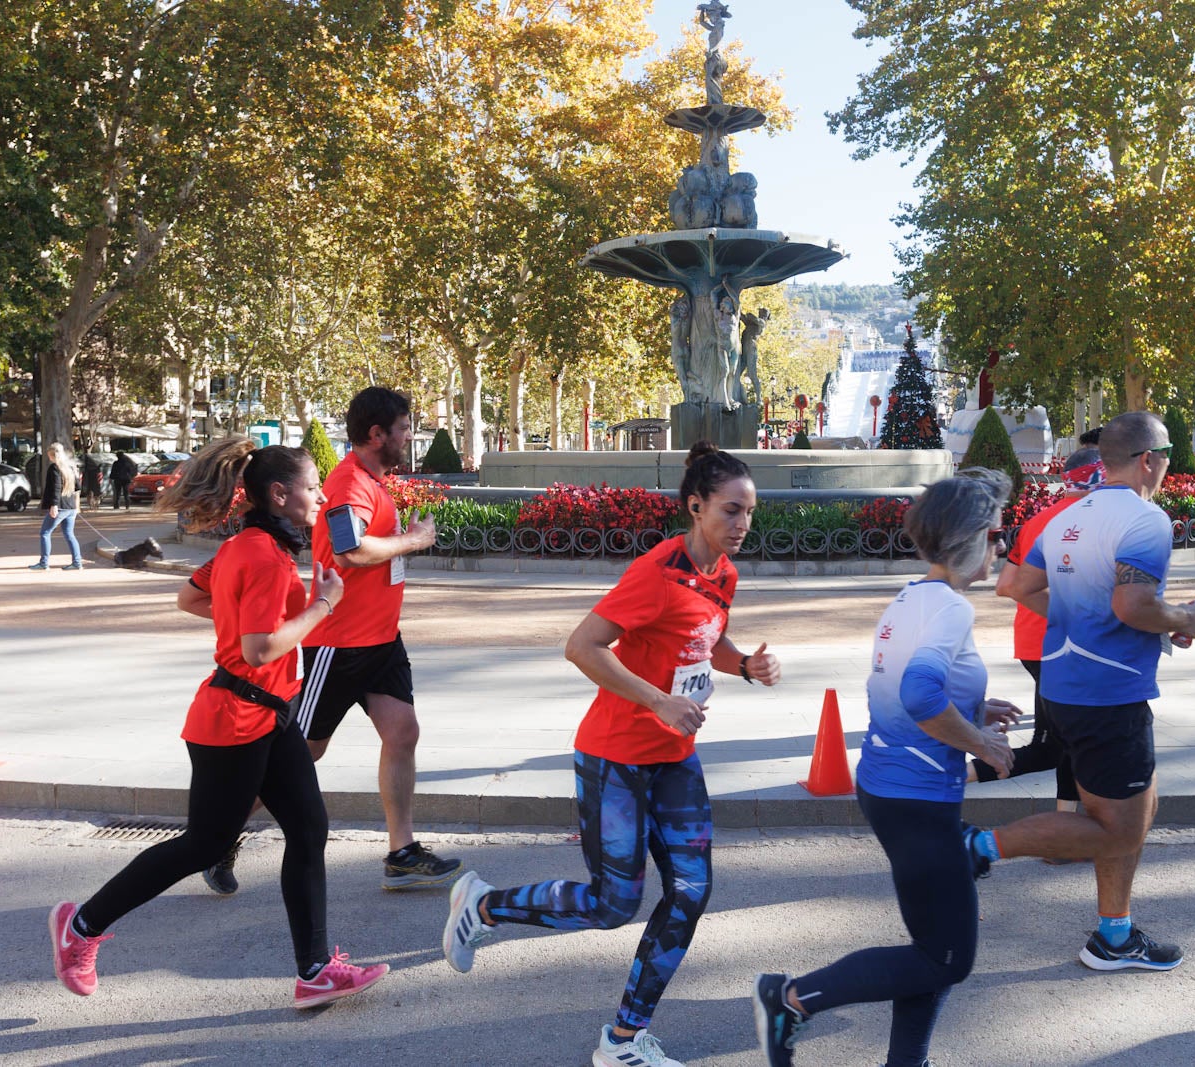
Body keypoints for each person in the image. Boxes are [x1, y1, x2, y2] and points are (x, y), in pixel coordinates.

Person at [444, 442, 782, 1067]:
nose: (743, 524)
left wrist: (744, 665)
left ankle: (622, 1041)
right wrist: (656, 701)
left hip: (674, 756)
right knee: (612, 905)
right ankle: (484, 905)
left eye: (750, 513)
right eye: (732, 511)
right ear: (696, 506)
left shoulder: (724, 575)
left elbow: (704, 640)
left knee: (690, 892)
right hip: (615, 759)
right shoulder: (656, 573)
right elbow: (582, 646)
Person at [47, 437, 390, 1009]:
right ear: (280, 495)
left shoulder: (255, 545)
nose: (322, 494)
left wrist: (249, 616)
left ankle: (314, 971)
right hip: (235, 719)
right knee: (203, 846)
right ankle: (80, 927)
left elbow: (190, 598)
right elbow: (258, 650)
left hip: (271, 713)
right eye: (312, 486)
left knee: (308, 829)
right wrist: (323, 606)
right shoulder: (257, 554)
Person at [752, 469, 1019, 1067]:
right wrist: (980, 740)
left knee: (934, 949)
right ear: (971, 539)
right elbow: (921, 695)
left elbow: (905, 688)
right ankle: (790, 999)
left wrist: (975, 707)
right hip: (916, 797)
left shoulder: (913, 597)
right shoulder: (950, 608)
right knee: (948, 957)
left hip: (893, 787)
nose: (1002, 548)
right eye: (998, 535)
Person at [961, 411, 1195, 973]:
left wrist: (1095, 620)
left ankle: (1115, 936)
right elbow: (1132, 605)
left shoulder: (1071, 517)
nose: (1169, 463)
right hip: (1109, 695)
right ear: (1150, 458)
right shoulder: (1145, 520)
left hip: (1066, 683)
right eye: (1168, 453)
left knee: (1136, 808)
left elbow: (1015, 586)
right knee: (1119, 826)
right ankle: (975, 849)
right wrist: (1189, 619)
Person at [230, 385, 458, 895]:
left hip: (381, 643)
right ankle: (219, 835)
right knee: (300, 753)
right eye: (403, 429)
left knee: (403, 734)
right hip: (339, 645)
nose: (409, 436)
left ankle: (401, 853)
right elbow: (349, 551)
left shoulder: (372, 481)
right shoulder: (351, 483)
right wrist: (414, 540)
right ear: (377, 434)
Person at [982, 449, 1104, 820]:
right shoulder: (1095, 522)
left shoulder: (1041, 520)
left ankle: (1065, 830)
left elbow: (1005, 585)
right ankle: (933, 782)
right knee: (1062, 746)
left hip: (1034, 642)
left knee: (1059, 745)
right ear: (1100, 478)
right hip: (1065, 645)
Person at [29, 443, 82, 571]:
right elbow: (78, 487)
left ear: (52, 455)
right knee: (69, 534)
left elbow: (56, 488)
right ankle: (77, 562)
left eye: (49, 455)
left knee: (45, 533)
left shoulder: (55, 468)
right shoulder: (70, 467)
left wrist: (54, 505)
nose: (49, 458)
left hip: (61, 507)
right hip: (71, 506)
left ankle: (44, 563)